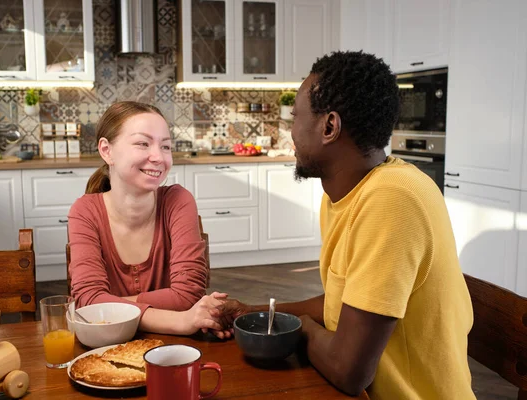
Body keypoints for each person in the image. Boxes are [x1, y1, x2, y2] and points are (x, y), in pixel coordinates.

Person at [219, 51, 475, 399]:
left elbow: (349, 370)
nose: (290, 131)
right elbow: (343, 303)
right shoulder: (346, 193)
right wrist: (257, 312)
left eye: (295, 116)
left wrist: (302, 329)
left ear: (329, 126)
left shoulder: (392, 199)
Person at [68, 101, 223, 335]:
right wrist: (181, 321)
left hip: (172, 349)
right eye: (143, 143)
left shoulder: (178, 201)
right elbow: (88, 301)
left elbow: (188, 295)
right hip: (107, 348)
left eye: (166, 147)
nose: (158, 157)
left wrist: (110, 306)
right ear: (106, 150)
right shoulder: (84, 211)